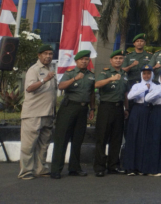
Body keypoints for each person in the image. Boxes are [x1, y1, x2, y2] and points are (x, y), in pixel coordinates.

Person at [51, 50, 96, 179]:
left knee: (78, 140)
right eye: (81, 59)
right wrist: (75, 79)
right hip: (69, 108)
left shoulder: (91, 75)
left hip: (83, 109)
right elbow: (61, 86)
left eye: (86, 59)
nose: (84, 61)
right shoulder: (70, 73)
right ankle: (56, 169)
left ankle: (74, 168)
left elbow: (92, 92)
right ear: (76, 61)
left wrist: (92, 109)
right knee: (62, 139)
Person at [18, 44, 57, 180]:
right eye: (45, 53)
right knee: (28, 145)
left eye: (50, 54)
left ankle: (41, 169)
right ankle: (26, 171)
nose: (48, 56)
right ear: (39, 55)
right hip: (33, 114)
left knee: (44, 144)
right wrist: (44, 80)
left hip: (48, 113)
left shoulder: (51, 68)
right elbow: (29, 88)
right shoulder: (33, 70)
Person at [94, 49, 129, 177]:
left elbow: (125, 93)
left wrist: (126, 108)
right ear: (111, 60)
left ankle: (113, 165)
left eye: (120, 58)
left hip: (119, 108)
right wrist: (111, 79)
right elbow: (97, 84)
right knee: (102, 138)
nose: (118, 60)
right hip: (106, 108)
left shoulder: (125, 74)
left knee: (116, 138)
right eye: (116, 58)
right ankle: (99, 167)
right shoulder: (105, 72)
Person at [123, 65, 154, 175]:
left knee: (145, 138)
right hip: (137, 109)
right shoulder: (137, 85)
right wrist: (145, 88)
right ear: (141, 74)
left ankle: (142, 167)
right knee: (133, 137)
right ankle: (130, 167)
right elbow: (130, 96)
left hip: (149, 111)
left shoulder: (155, 85)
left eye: (149, 73)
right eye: (144, 73)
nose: (146, 75)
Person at [142, 67, 161, 177]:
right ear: (159, 78)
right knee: (155, 139)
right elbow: (147, 99)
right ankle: (153, 168)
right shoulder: (156, 87)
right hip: (157, 112)